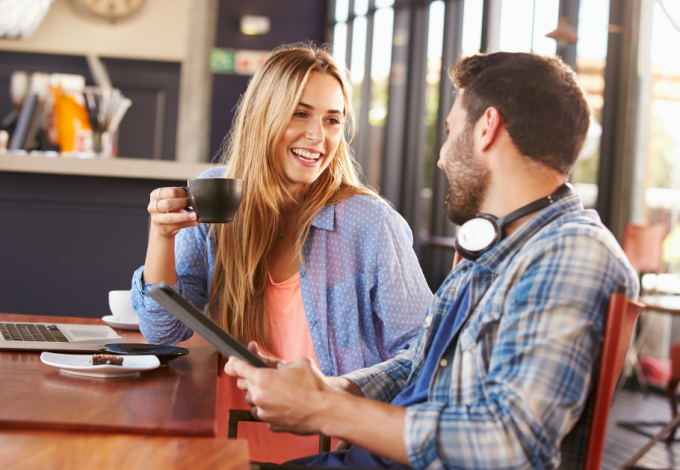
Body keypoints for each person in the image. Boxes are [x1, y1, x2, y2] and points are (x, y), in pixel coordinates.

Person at [224, 52, 640, 469]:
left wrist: (322, 410)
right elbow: (418, 366)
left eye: (450, 130)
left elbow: (509, 442)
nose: (441, 156)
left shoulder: (571, 256)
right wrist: (324, 389)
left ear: (486, 128)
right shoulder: (498, 245)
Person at [129, 43, 432, 462]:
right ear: (263, 116)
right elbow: (162, 331)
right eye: (300, 113)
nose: (317, 136)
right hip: (230, 441)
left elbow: (426, 352)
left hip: (332, 452)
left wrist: (339, 394)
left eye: (332, 120)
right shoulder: (217, 192)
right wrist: (161, 235)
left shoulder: (369, 222)